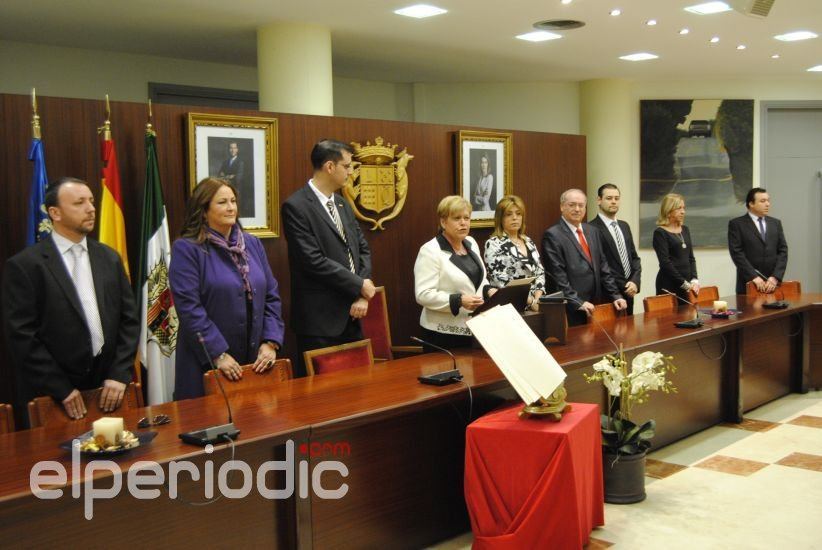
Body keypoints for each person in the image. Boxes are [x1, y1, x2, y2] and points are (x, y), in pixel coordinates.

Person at [2, 177, 139, 420]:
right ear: (54, 213)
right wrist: (60, 388)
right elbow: (22, 335)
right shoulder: (25, 265)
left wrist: (119, 374)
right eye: (79, 203)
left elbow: (129, 320)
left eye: (92, 201)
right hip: (55, 394)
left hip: (109, 386)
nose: (91, 208)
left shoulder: (109, 258)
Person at [169, 177, 284, 400]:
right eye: (222, 202)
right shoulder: (187, 249)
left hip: (255, 361)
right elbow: (189, 309)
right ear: (204, 211)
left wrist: (270, 342)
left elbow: (271, 295)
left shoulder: (252, 243)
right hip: (206, 365)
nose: (231, 207)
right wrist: (218, 354)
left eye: (233, 201)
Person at [282, 139, 374, 377]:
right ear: (330, 167)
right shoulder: (296, 206)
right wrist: (359, 284)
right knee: (321, 394)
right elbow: (312, 261)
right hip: (319, 322)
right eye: (347, 166)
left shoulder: (342, 204)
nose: (351, 172)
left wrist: (361, 293)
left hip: (353, 315)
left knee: (358, 388)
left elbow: (362, 250)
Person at [414, 196, 495, 351]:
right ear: (443, 222)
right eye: (457, 218)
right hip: (441, 334)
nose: (463, 223)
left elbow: (478, 280)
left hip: (474, 327)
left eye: (466, 218)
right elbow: (423, 294)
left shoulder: (471, 243)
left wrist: (488, 290)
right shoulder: (430, 251)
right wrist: (458, 301)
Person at [541, 188, 627, 326]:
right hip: (572, 309)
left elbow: (603, 267)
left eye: (581, 205)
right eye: (572, 205)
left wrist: (615, 295)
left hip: (596, 305)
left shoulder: (592, 231)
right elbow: (558, 277)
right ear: (562, 207)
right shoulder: (553, 235)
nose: (577, 209)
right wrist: (577, 302)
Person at [484, 195, 546, 311]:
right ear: (500, 218)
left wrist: (537, 299)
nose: (514, 218)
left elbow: (540, 272)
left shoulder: (528, 241)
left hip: (536, 304)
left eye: (518, 214)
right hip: (509, 306)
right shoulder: (493, 244)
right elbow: (501, 281)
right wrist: (531, 302)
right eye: (509, 214)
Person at [588, 183, 642, 314]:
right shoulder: (591, 229)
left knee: (630, 327)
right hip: (608, 295)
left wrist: (635, 282)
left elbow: (634, 258)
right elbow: (600, 265)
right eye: (609, 198)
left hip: (630, 292)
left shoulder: (624, 226)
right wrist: (623, 286)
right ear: (599, 200)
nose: (613, 201)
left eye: (616, 198)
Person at [727, 187, 788, 294]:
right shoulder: (737, 224)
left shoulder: (775, 223)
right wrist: (753, 277)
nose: (767, 204)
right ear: (751, 203)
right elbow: (737, 253)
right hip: (749, 283)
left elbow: (783, 251)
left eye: (768, 200)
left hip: (772, 284)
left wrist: (775, 276)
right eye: (763, 201)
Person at [652, 193, 699, 303]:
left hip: (688, 284)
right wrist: (684, 284)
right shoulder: (660, 233)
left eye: (684, 208)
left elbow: (691, 258)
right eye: (679, 208)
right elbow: (665, 263)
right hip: (669, 284)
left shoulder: (685, 229)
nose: (683, 211)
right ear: (668, 211)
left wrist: (694, 279)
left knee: (690, 313)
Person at [218, 141, 250, 217]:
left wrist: (226, 177)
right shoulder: (225, 162)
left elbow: (239, 177)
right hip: (225, 190)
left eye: (234, 148)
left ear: (237, 150)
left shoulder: (240, 162)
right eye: (231, 148)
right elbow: (219, 175)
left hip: (236, 189)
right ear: (229, 149)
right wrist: (229, 176)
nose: (232, 150)